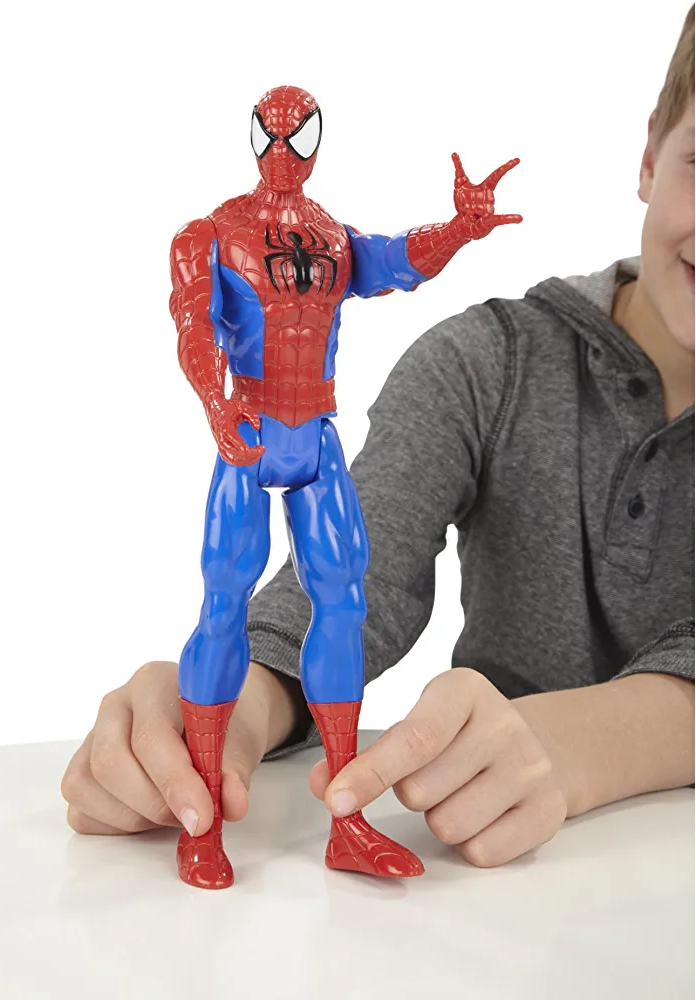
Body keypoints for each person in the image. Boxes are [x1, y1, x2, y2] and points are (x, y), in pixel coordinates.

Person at [61, 8, 695, 870]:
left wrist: (588, 742)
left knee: (337, 593)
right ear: (651, 153)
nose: (284, 147)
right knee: (260, 601)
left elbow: (390, 258)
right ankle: (236, 813)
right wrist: (247, 703)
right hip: (257, 429)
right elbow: (377, 557)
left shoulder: (328, 238)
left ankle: (334, 818)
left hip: (303, 430)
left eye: (297, 133)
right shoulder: (489, 364)